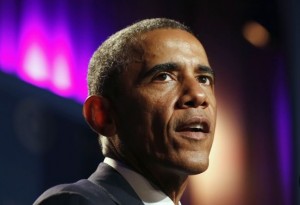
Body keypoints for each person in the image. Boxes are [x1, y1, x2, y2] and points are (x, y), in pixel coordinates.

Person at [34, 18, 217, 205]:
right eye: (163, 77)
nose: (198, 94)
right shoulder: (76, 202)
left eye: (203, 79)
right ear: (103, 115)